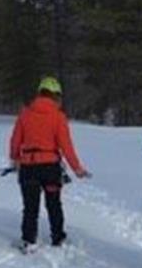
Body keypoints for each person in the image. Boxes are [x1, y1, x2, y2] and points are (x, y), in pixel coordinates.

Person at [8, 76, 90, 250]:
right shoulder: (58, 117)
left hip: (28, 167)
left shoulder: (25, 114)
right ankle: (58, 237)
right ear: (55, 95)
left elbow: (15, 140)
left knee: (30, 208)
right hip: (50, 168)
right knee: (54, 204)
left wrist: (15, 159)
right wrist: (77, 168)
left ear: (40, 93)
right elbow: (66, 146)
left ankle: (29, 240)